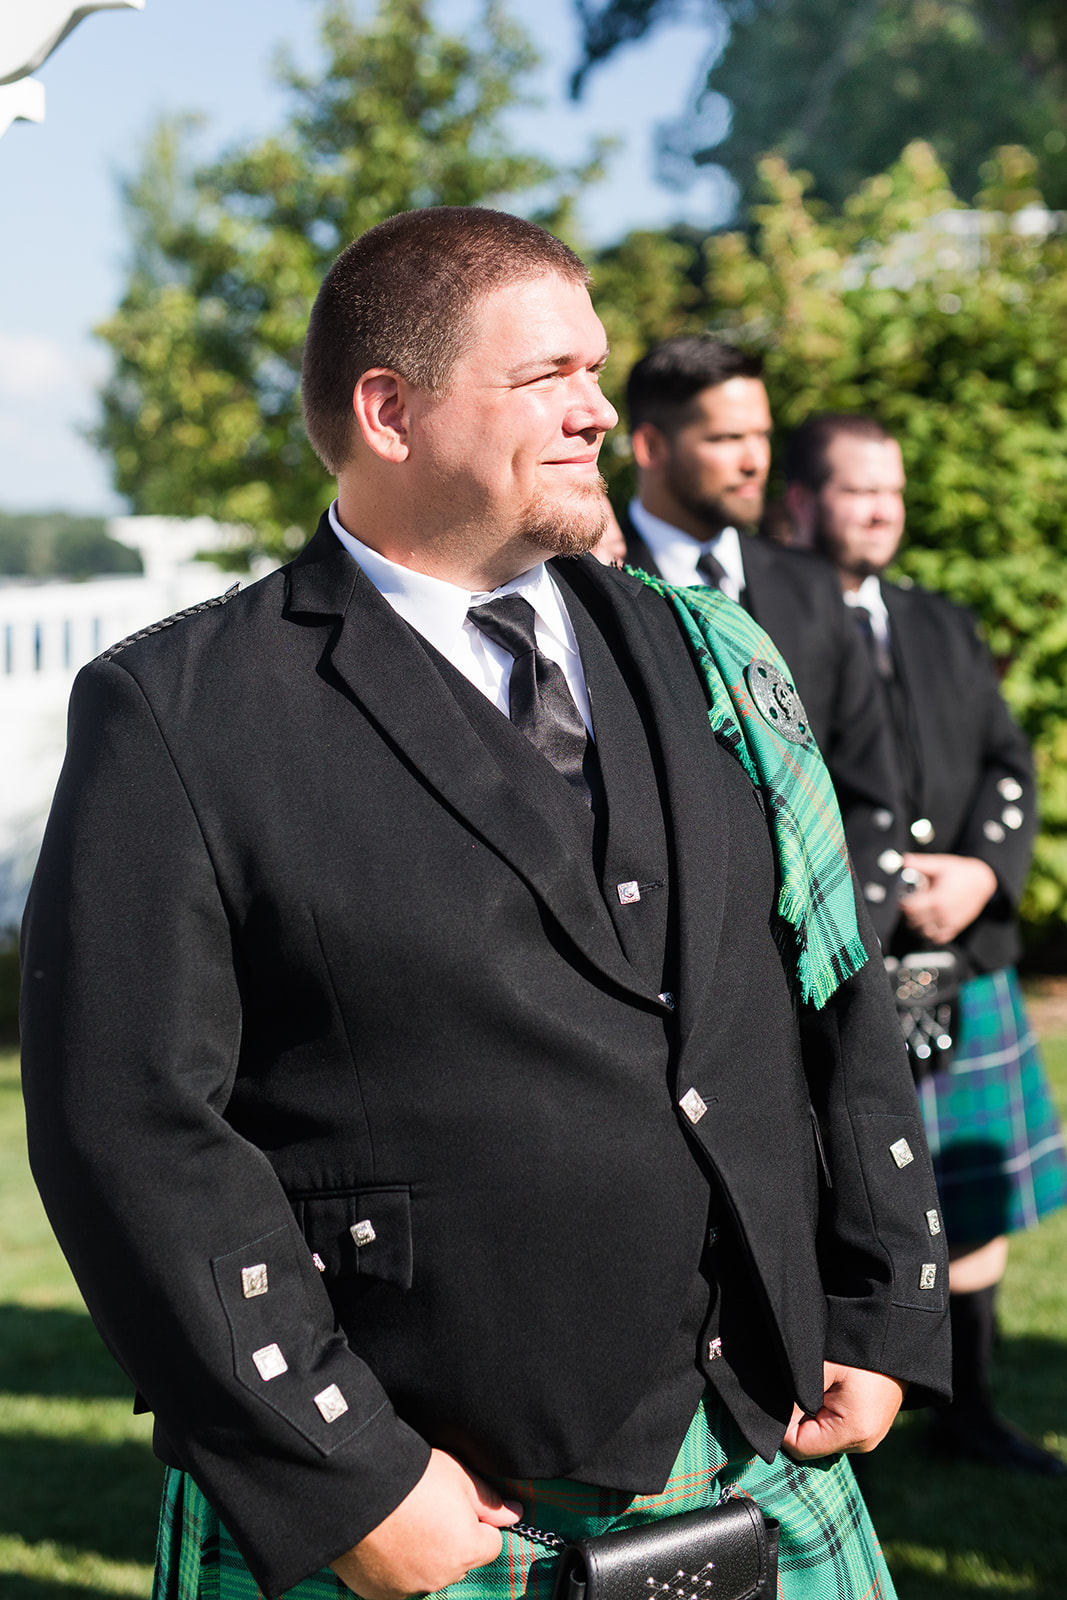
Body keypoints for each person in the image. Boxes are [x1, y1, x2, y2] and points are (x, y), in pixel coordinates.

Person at [22, 209, 950, 1600]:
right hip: (426, 1510)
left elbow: (829, 980)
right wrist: (341, 1474)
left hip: (756, 1455)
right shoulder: (180, 713)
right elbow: (127, 1127)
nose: (595, 413)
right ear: (387, 412)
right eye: (547, 379)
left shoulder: (706, 651)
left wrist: (882, 1299)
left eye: (596, 370)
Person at [784, 411, 1067, 1474]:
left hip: (958, 956)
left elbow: (1005, 762)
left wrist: (984, 871)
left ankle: (973, 1406)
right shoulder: (763, 619)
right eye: (859, 492)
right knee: (841, 1186)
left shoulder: (940, 622)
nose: (881, 511)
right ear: (800, 504)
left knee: (971, 1186)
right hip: (840, 962)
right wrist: (879, 885)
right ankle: (850, 1391)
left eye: (891, 493)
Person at [619, 336, 903, 939]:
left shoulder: (811, 587)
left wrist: (844, 939)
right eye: (726, 439)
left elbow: (867, 780)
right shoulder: (591, 580)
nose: (755, 461)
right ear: (650, 446)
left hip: (830, 944)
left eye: (762, 436)